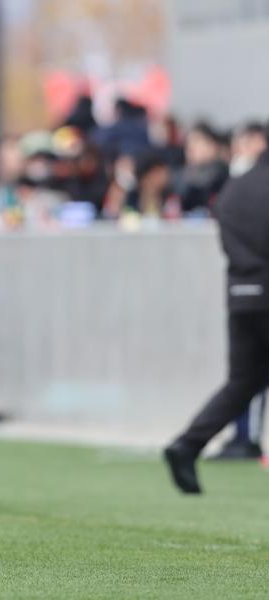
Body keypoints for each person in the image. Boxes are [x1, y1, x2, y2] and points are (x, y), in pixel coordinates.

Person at [164, 122, 269, 494]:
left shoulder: (234, 187)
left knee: (242, 382)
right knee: (244, 382)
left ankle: (188, 444)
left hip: (241, 293)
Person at [211, 122, 268, 460]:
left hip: (243, 290)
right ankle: (242, 437)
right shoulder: (242, 183)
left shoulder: (236, 186)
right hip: (256, 290)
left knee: (245, 375)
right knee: (249, 375)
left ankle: (197, 442)